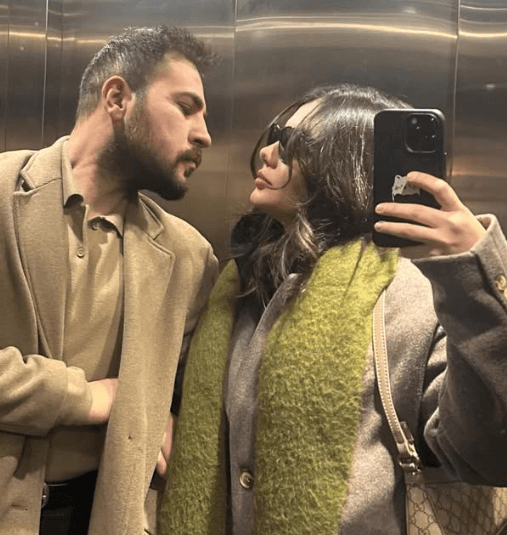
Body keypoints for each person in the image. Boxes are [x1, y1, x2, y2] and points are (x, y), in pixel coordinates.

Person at [0, 25, 219, 535]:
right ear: (117, 98)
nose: (204, 134)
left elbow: (193, 394)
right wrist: (85, 398)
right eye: (186, 107)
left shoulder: (191, 257)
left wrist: (163, 414)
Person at [158, 83, 507, 535]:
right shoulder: (243, 289)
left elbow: (486, 453)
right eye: (273, 137)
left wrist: (477, 281)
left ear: (344, 165)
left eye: (291, 144)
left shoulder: (413, 298)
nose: (267, 152)